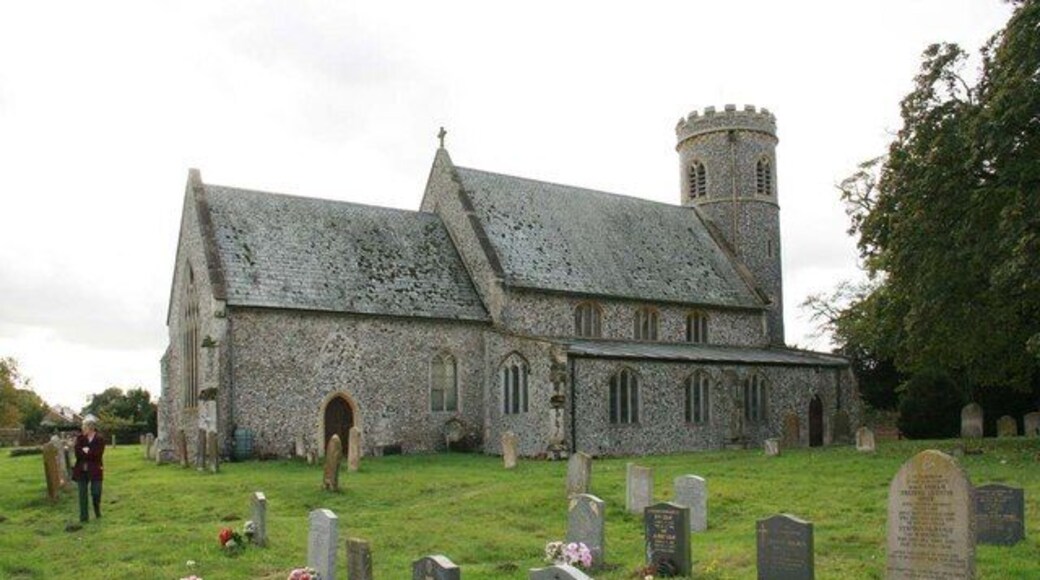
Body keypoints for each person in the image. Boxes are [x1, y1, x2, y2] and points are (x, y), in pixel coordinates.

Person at [72, 417, 105, 522]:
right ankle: (84, 518)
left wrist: (86, 452)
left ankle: (97, 510)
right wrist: (87, 452)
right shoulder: (80, 439)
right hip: (81, 470)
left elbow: (97, 455)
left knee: (96, 492)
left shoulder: (99, 439)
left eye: (84, 427)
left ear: (90, 428)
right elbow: (77, 453)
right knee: (82, 494)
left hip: (95, 469)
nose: (82, 429)